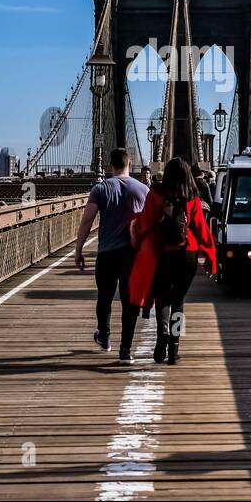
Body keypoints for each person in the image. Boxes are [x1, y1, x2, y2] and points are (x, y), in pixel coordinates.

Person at [128, 157, 218, 366]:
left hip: (163, 253)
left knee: (162, 300)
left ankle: (162, 337)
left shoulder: (156, 194)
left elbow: (144, 223)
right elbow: (201, 230)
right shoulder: (192, 197)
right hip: (188, 253)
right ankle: (174, 348)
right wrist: (211, 257)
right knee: (178, 301)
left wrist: (135, 234)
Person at [74, 147, 149, 364]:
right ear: (130, 163)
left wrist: (78, 250)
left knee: (105, 297)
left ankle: (105, 337)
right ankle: (125, 350)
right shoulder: (143, 189)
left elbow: (87, 220)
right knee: (129, 301)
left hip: (106, 253)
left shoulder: (100, 188)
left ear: (110, 165)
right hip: (132, 255)